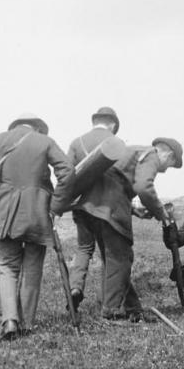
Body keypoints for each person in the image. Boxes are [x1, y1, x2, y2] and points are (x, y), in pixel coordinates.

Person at [0, 113, 75, 341]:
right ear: (37, 127)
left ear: (14, 126)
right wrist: (55, 204)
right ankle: (27, 324)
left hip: (5, 212)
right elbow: (67, 171)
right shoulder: (45, 141)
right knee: (33, 267)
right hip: (38, 212)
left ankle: (10, 322)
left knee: (6, 266)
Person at [72, 137, 183, 322]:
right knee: (121, 259)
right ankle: (111, 312)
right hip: (110, 207)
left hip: (89, 205)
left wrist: (133, 209)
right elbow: (143, 187)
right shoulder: (152, 155)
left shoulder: (134, 150)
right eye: (170, 165)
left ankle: (133, 308)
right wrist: (161, 213)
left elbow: (113, 180)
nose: (165, 170)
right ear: (169, 155)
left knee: (114, 259)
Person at [66, 106, 121, 313]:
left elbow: (67, 175)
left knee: (83, 249)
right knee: (109, 253)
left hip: (81, 207)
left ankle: (75, 287)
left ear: (94, 121)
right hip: (107, 208)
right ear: (113, 124)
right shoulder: (116, 143)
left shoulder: (76, 142)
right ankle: (107, 300)